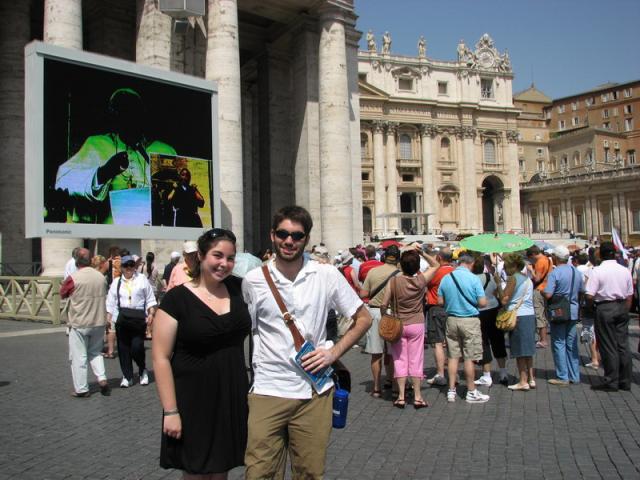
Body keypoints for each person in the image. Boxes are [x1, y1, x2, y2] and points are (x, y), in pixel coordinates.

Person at [242, 205, 372, 479]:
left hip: (314, 393)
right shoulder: (253, 280)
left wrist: (333, 352)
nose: (289, 240)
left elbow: (363, 318)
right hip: (268, 390)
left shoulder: (326, 275)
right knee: (259, 474)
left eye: (297, 235)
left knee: (310, 474)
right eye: (283, 234)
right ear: (272, 235)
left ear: (306, 239)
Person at [153, 229, 250, 478]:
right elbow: (161, 358)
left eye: (230, 258)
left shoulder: (240, 289)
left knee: (222, 468)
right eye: (217, 255)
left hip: (231, 394)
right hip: (192, 399)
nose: (224, 263)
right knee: (196, 470)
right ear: (201, 255)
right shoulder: (176, 299)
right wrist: (171, 411)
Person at [54, 88, 176, 224]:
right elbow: (63, 181)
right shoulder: (97, 144)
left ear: (143, 115)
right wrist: (104, 173)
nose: (129, 118)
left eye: (134, 111)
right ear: (114, 117)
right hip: (112, 230)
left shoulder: (164, 150)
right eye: (122, 111)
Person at [380, 248, 439, 408]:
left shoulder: (394, 281)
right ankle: (418, 396)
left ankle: (401, 396)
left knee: (399, 359)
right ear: (417, 266)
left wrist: (386, 316)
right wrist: (422, 252)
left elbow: (384, 304)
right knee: (416, 359)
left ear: (401, 265)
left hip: (399, 324)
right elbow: (435, 265)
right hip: (416, 323)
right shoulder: (421, 280)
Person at [437, 253, 489, 403]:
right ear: (471, 264)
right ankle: (471, 391)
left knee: (453, 357)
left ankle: (451, 390)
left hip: (451, 320)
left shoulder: (446, 278)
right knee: (469, 357)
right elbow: (482, 302)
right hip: (469, 321)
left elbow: (440, 301)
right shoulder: (473, 279)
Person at [60, 248, 110, 397]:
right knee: (96, 352)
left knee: (79, 357)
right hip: (98, 320)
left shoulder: (73, 278)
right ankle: (102, 378)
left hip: (80, 321)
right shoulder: (101, 277)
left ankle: (81, 389)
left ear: (76, 262)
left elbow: (63, 293)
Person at [585, 242, 634, 391]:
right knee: (623, 344)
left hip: (605, 307)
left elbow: (589, 295)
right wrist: (625, 309)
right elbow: (629, 294)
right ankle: (625, 380)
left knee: (608, 345)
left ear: (601, 254)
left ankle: (611, 380)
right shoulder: (624, 270)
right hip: (622, 306)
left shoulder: (597, 271)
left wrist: (591, 306)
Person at [106, 254, 157, 388]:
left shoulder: (142, 279)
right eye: (126, 265)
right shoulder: (116, 282)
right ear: (121, 267)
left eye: (131, 265)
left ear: (135, 266)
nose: (129, 268)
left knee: (136, 347)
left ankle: (142, 369)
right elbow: (111, 301)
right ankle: (127, 376)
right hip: (122, 318)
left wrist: (151, 313)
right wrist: (108, 318)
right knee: (123, 348)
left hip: (138, 318)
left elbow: (150, 298)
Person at [359, 245, 401, 397]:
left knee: (376, 353)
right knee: (394, 352)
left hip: (376, 312)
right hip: (393, 313)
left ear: (384, 257)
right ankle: (394, 384)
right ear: (398, 258)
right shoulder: (400, 274)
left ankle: (376, 387)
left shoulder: (373, 271)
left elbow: (363, 294)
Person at [543, 246, 583, 386]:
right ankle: (574, 375)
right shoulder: (576, 272)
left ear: (556, 258)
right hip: (573, 310)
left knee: (559, 342)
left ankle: (562, 376)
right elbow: (582, 290)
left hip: (559, 311)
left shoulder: (555, 273)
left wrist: (542, 292)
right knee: (571, 343)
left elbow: (548, 294)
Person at [500, 254, 536, 391]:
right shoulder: (527, 279)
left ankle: (523, 380)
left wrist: (498, 285)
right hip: (529, 314)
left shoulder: (513, 279)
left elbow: (504, 299)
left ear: (513, 266)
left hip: (518, 316)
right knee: (528, 349)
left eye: (506, 266)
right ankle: (531, 378)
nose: (505, 269)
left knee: (520, 350)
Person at [472, 255, 508, 387]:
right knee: (498, 340)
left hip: (480, 311)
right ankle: (503, 372)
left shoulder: (472, 279)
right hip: (493, 309)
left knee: (484, 343)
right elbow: (497, 292)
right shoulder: (490, 277)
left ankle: (487, 375)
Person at [425, 248, 455, 386]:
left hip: (436, 308)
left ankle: (441, 374)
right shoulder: (455, 271)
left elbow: (423, 282)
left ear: (439, 258)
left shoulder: (436, 271)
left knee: (437, 343)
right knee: (452, 342)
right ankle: (453, 374)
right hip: (452, 308)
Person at [526, 245, 553, 348]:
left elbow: (537, 279)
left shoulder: (539, 262)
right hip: (547, 288)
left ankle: (543, 340)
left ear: (533, 254)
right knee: (544, 314)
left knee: (539, 314)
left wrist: (530, 270)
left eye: (530, 257)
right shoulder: (547, 259)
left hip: (539, 289)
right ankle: (544, 338)